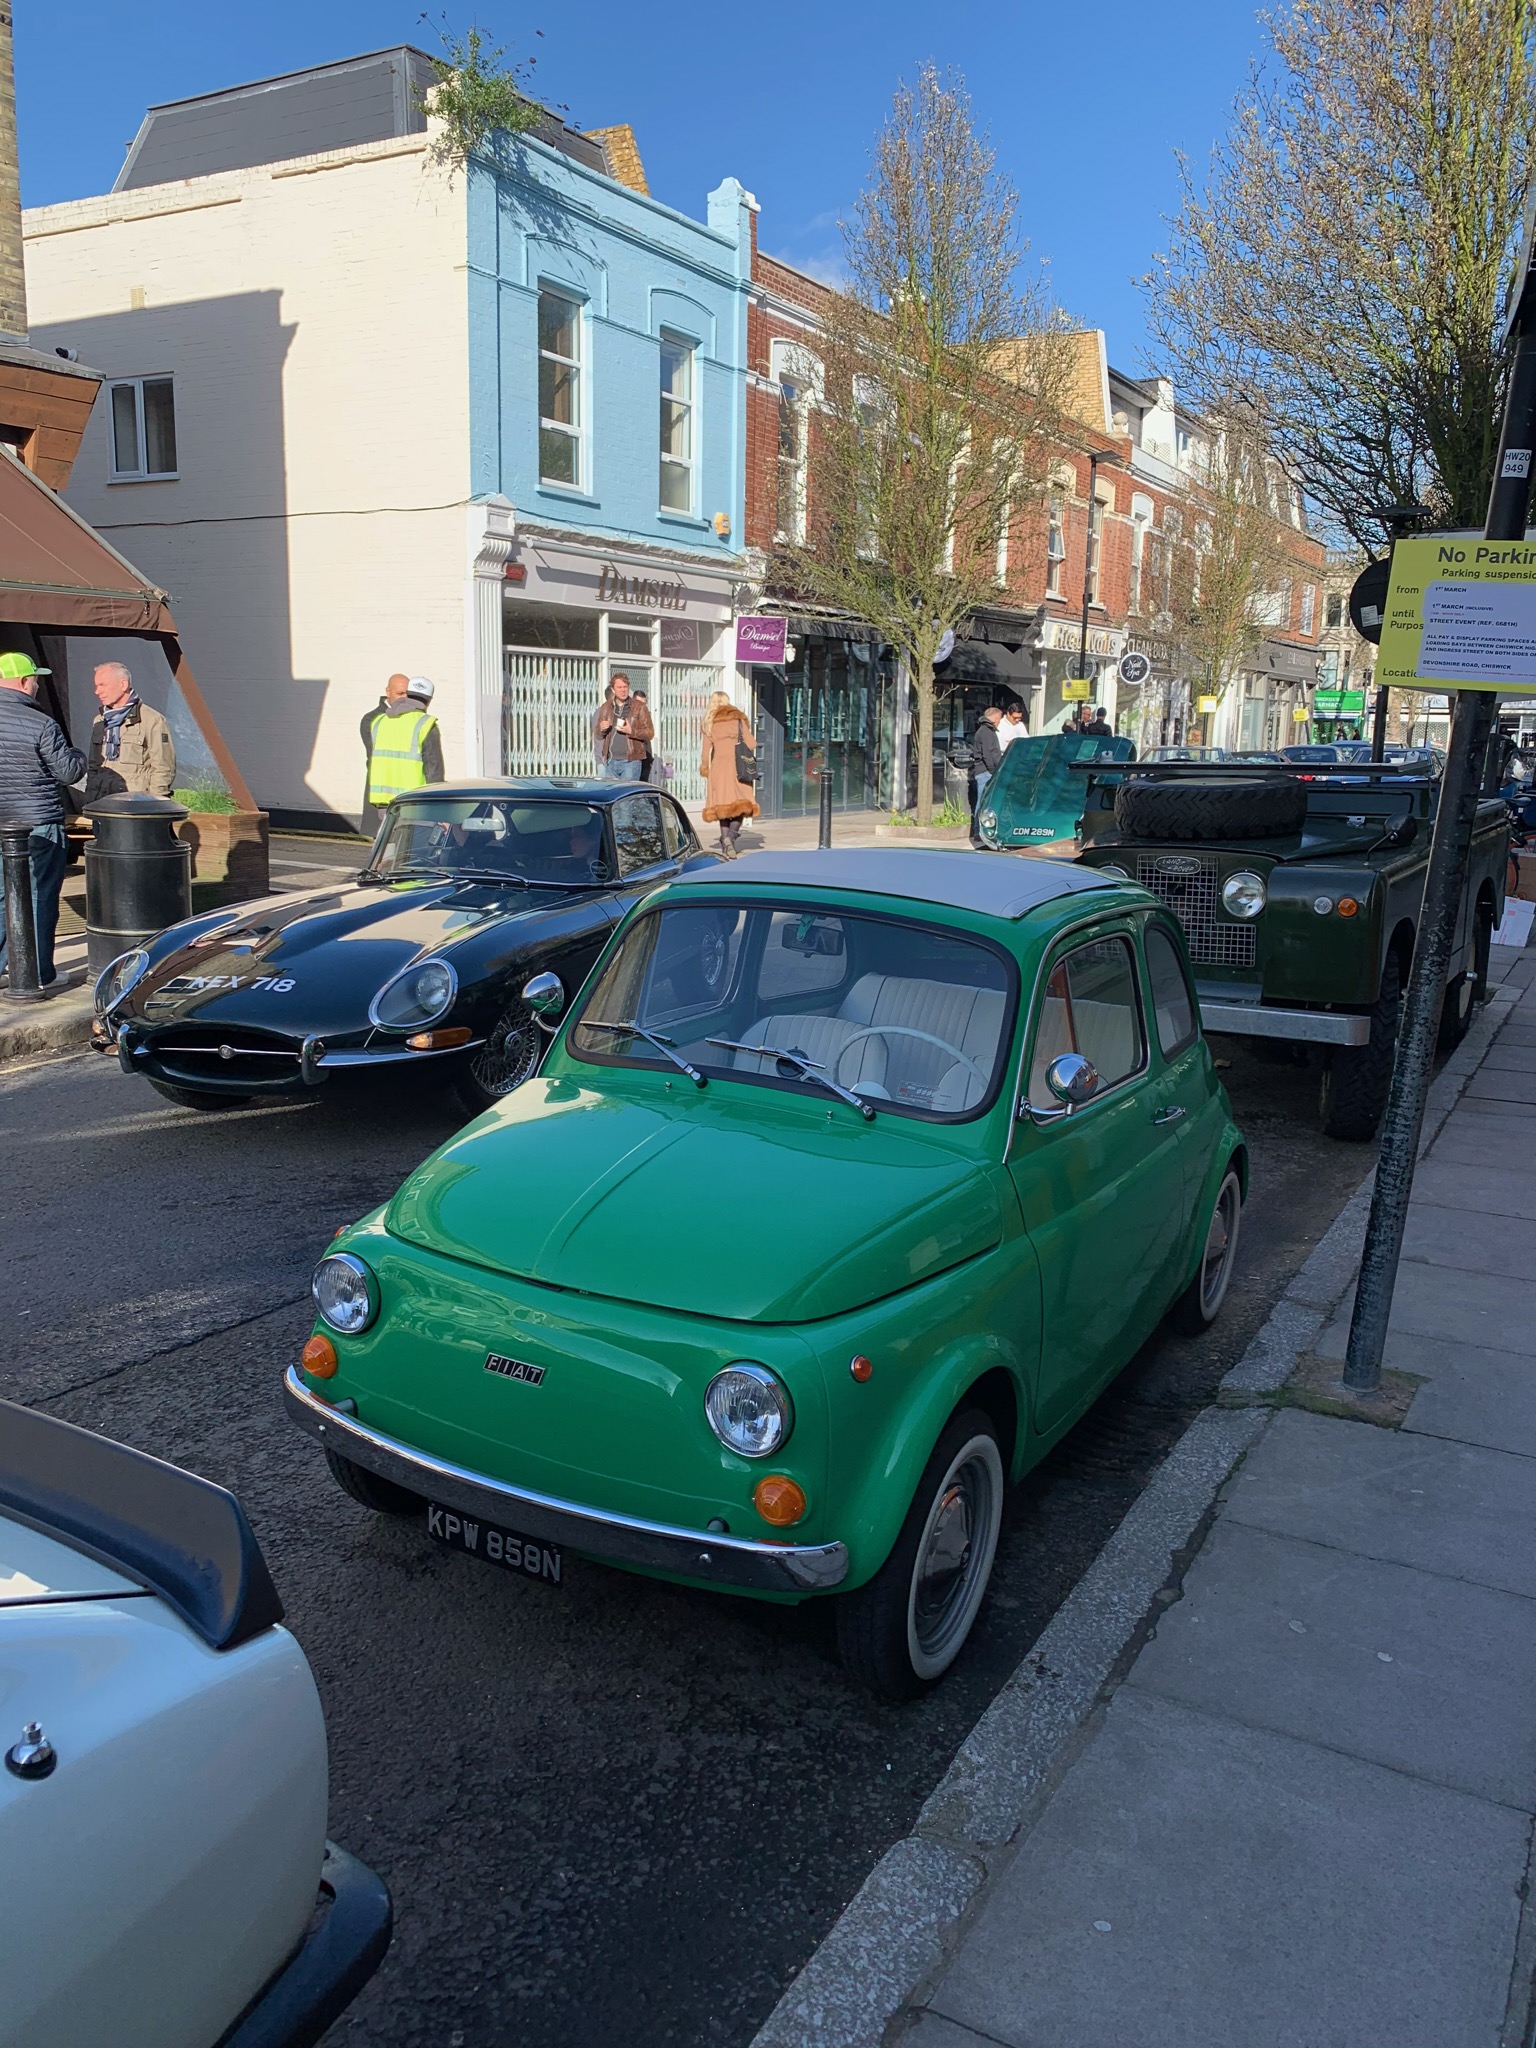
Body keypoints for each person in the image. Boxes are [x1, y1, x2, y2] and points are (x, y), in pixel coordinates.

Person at [0, 651, 86, 989]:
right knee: (40, 896)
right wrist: (78, 755)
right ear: (24, 682)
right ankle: (37, 974)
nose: (37, 685)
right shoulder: (41, 724)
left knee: (2, 897)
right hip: (39, 825)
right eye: (36, 679)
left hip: (2, 824)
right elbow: (68, 773)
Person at [82, 660, 176, 805]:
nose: (97, 691)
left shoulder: (151, 720)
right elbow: (94, 766)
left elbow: (163, 769)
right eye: (96, 686)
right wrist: (90, 800)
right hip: (101, 804)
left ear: (123, 684)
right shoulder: (100, 721)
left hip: (134, 805)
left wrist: (153, 804)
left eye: (102, 685)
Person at [363, 674, 443, 834]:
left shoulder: (378, 722)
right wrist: (439, 808)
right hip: (414, 803)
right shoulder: (426, 724)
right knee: (413, 847)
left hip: (384, 804)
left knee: (390, 847)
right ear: (428, 701)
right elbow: (434, 771)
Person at [700, 690, 758, 857]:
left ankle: (726, 841)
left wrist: (705, 767)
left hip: (718, 767)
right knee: (742, 804)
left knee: (722, 806)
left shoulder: (709, 722)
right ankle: (730, 837)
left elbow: (705, 751)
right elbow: (752, 744)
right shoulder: (738, 719)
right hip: (738, 767)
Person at [593, 674, 652, 780]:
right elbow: (598, 735)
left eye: (625, 687)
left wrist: (631, 731)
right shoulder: (606, 707)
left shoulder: (639, 707)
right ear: (613, 689)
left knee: (627, 790)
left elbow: (649, 733)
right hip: (610, 762)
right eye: (619, 687)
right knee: (612, 791)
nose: (623, 690)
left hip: (630, 762)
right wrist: (601, 729)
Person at [970, 705, 1004, 847]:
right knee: (982, 801)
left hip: (983, 771)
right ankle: (978, 831)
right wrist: (993, 770)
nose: (1000, 722)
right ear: (995, 718)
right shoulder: (987, 732)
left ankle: (979, 830)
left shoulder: (984, 730)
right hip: (985, 771)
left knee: (983, 801)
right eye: (999, 719)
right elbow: (988, 754)